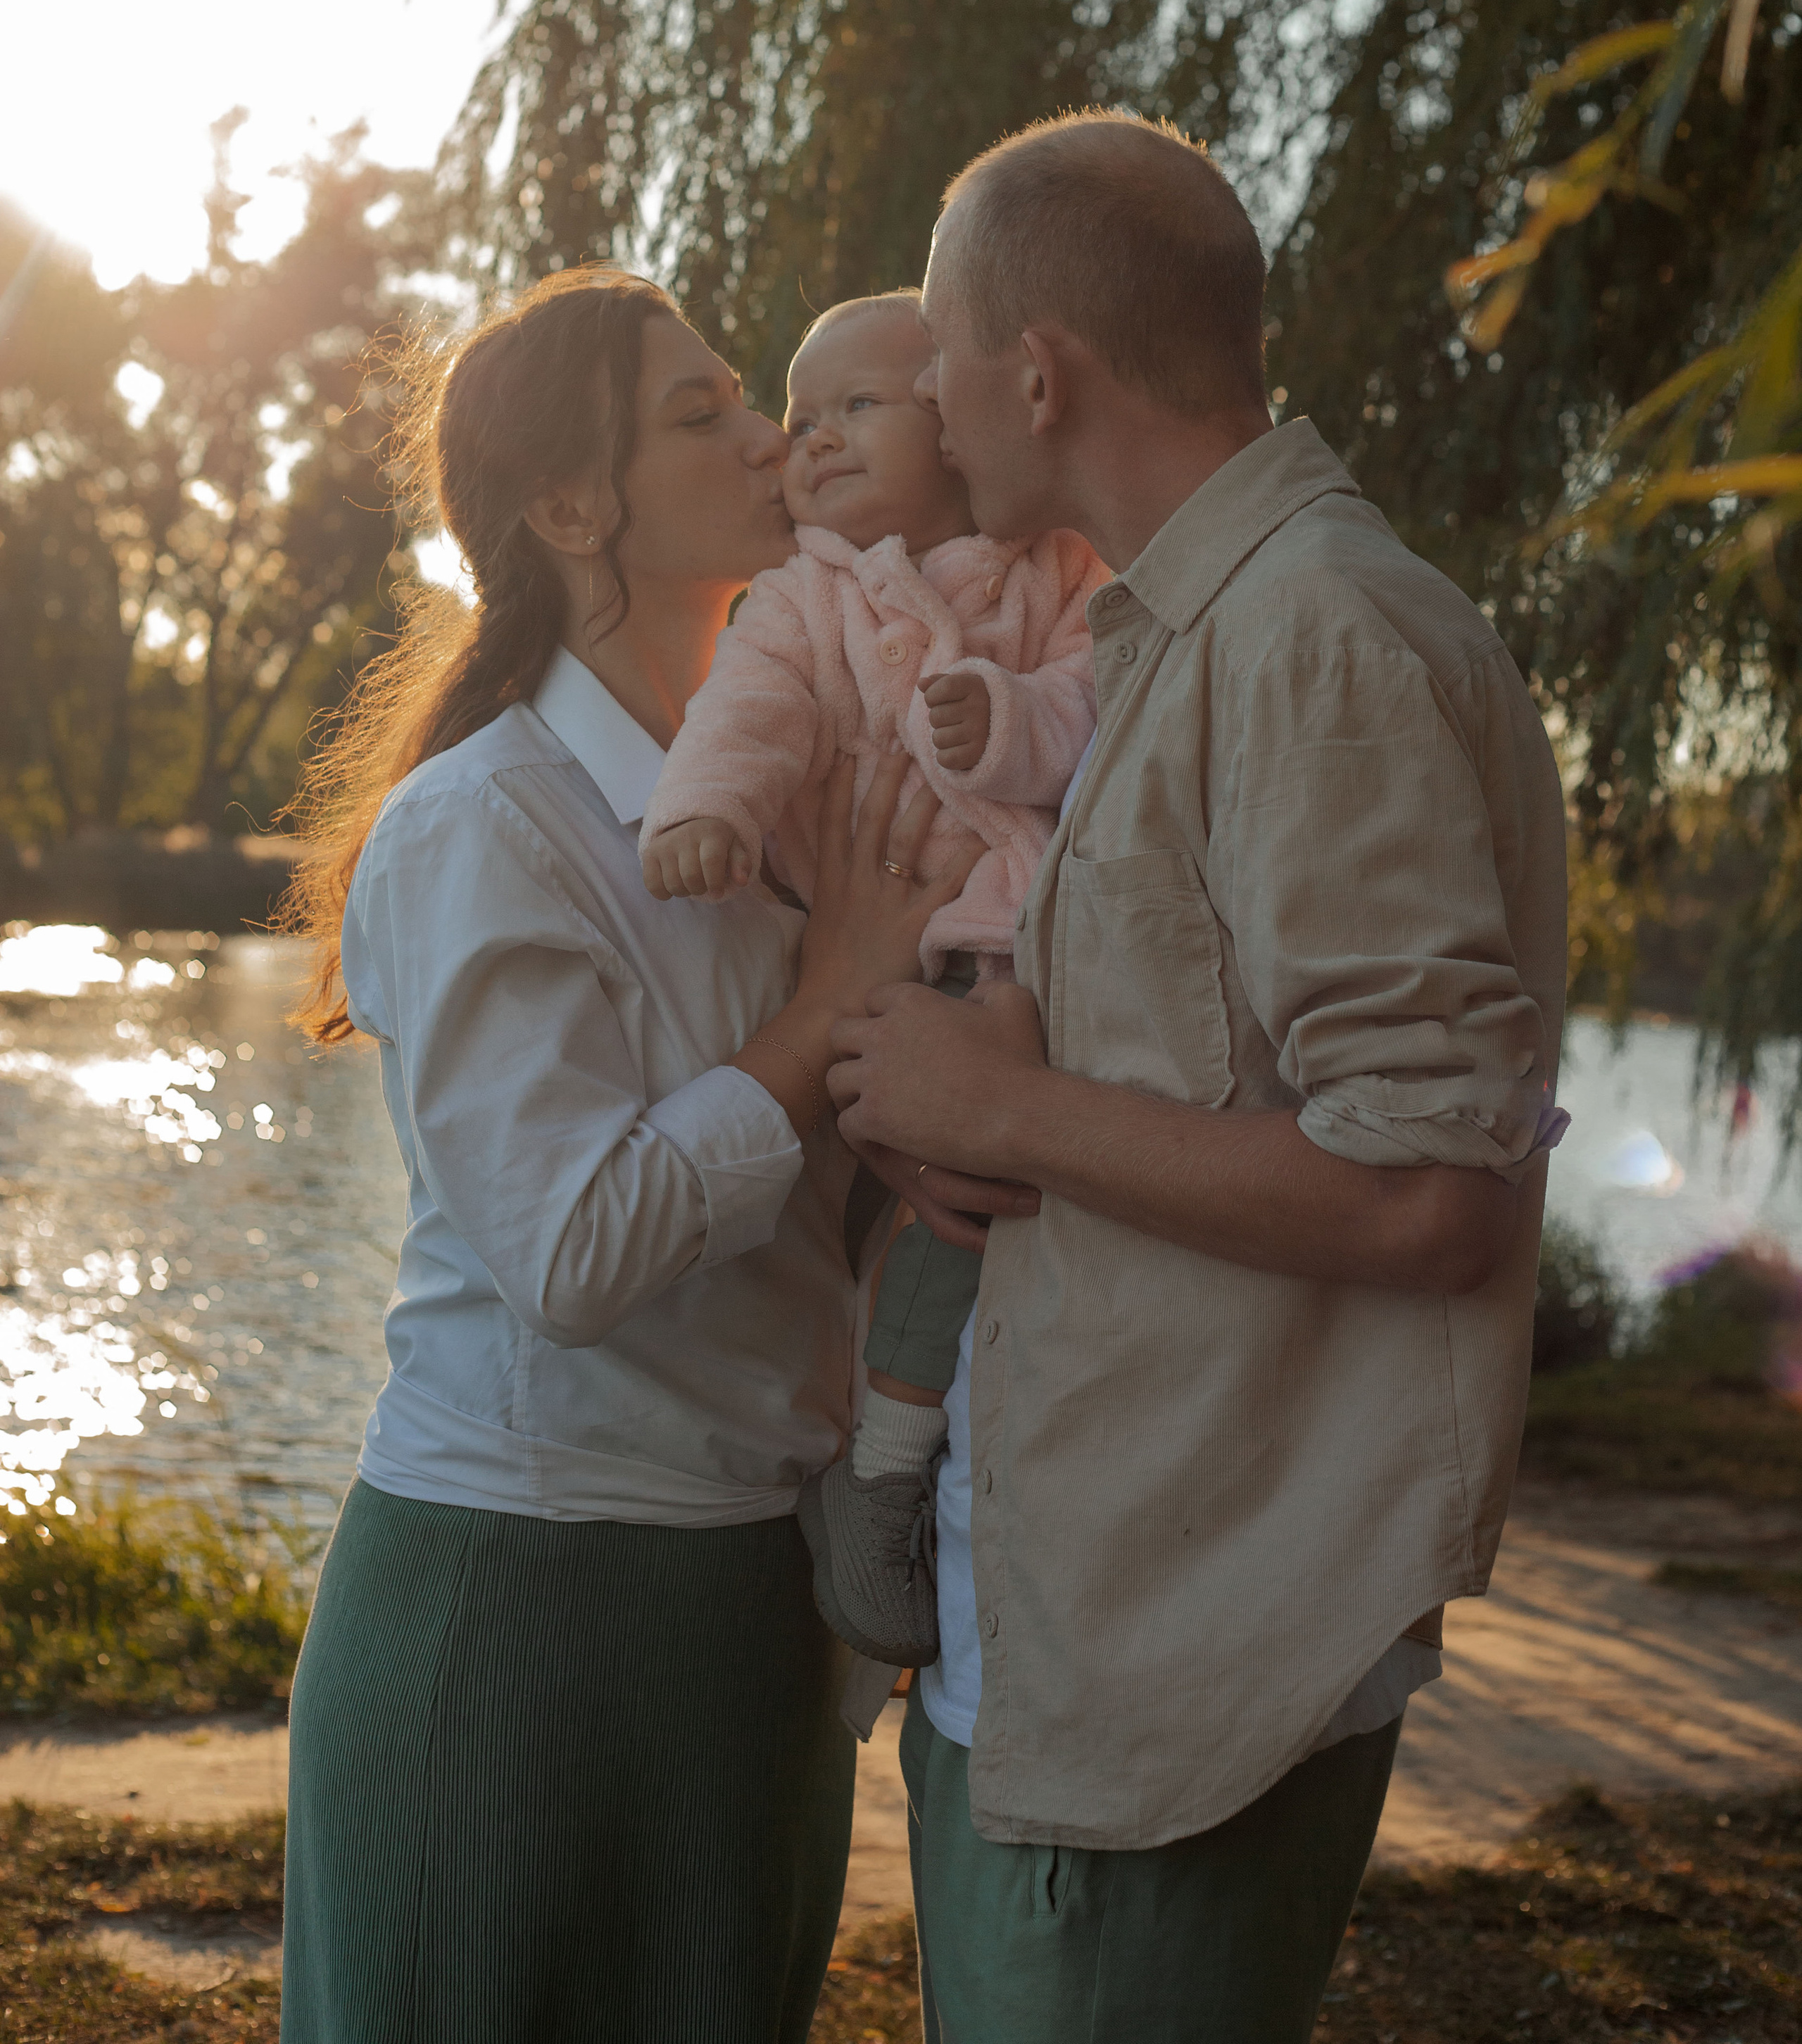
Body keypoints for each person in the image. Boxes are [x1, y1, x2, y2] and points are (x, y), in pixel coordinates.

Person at [828, 113, 1568, 2044]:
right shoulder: (1180, 632)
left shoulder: (1311, 635)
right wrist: (965, 1099)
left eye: (941, 356)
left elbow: (1431, 1187)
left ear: (1038, 374)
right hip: (1076, 1625)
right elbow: (1194, 1073)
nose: (928, 402)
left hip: (1181, 1667)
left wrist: (1004, 1111)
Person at [277, 266, 1000, 2044]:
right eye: (701, 414)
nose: (769, 437)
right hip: (520, 1597)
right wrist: (820, 1008)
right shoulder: (483, 823)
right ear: (568, 509)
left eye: (748, 398)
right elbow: (574, 1253)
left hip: (757, 1605)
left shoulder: (782, 803)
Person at [638, 289, 1107, 1666]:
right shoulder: (803, 595)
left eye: (856, 406)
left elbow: (1096, 698)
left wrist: (1013, 722)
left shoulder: (1058, 566)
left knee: (1040, 1201)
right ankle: (887, 1472)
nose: (811, 440)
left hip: (1036, 943)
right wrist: (705, 808)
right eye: (800, 419)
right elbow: (749, 711)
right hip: (917, 969)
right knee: (955, 1213)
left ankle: (961, 1455)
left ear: (958, 422)